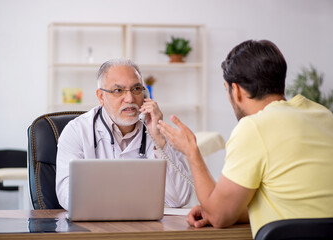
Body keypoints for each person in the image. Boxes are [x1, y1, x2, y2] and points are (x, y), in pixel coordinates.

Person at [157, 40, 333, 238]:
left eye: (227, 90)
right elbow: (299, 203)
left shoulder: (254, 127)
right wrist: (225, 211)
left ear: (236, 90)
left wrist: (191, 151)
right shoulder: (323, 115)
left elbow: (219, 217)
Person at [56, 58, 192, 210]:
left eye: (136, 89)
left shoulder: (156, 130)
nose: (130, 99)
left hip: (144, 229)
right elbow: (67, 196)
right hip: (93, 227)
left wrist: (159, 141)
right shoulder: (77, 131)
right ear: (101, 97)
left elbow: (180, 199)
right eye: (118, 91)